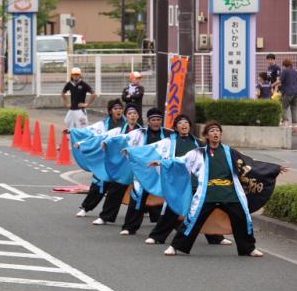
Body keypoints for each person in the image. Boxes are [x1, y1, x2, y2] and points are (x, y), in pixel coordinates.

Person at [163, 121, 284, 257]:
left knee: (242, 218)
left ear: (221, 134)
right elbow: (181, 161)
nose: (215, 133)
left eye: (217, 131)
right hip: (207, 193)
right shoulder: (198, 153)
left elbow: (250, 164)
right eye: (212, 131)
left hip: (229, 193)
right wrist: (163, 163)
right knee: (193, 219)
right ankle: (175, 246)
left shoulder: (229, 152)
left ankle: (248, 248)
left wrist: (274, 168)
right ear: (206, 136)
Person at [145, 114, 229, 246]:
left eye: (186, 123)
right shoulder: (168, 142)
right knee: (172, 209)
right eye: (180, 123)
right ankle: (157, 236)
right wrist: (133, 152)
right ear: (175, 127)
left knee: (203, 209)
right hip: (178, 182)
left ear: (190, 126)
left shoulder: (198, 143)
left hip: (197, 181)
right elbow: (150, 149)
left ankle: (215, 237)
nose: (184, 125)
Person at [119, 107, 172, 236]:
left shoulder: (169, 134)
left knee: (172, 199)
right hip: (144, 172)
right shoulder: (139, 133)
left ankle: (178, 228)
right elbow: (123, 139)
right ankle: (130, 227)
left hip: (162, 171)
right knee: (137, 197)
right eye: (153, 120)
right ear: (148, 121)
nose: (156, 122)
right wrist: (127, 150)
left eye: (159, 120)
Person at [76, 99, 125, 217]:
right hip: (105, 159)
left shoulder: (127, 124)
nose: (118, 111)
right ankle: (86, 207)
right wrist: (73, 132)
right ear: (110, 111)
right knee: (98, 183)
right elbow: (88, 133)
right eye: (115, 109)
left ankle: (150, 210)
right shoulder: (103, 125)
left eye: (120, 109)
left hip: (122, 160)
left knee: (137, 185)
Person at [275, 58, 297, 125]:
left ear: (285, 65)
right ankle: (294, 127)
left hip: (288, 92)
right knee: (294, 109)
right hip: (296, 93)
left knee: (284, 107)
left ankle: (286, 123)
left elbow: (279, 81)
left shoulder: (285, 71)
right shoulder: (296, 71)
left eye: (283, 65)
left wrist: (272, 85)